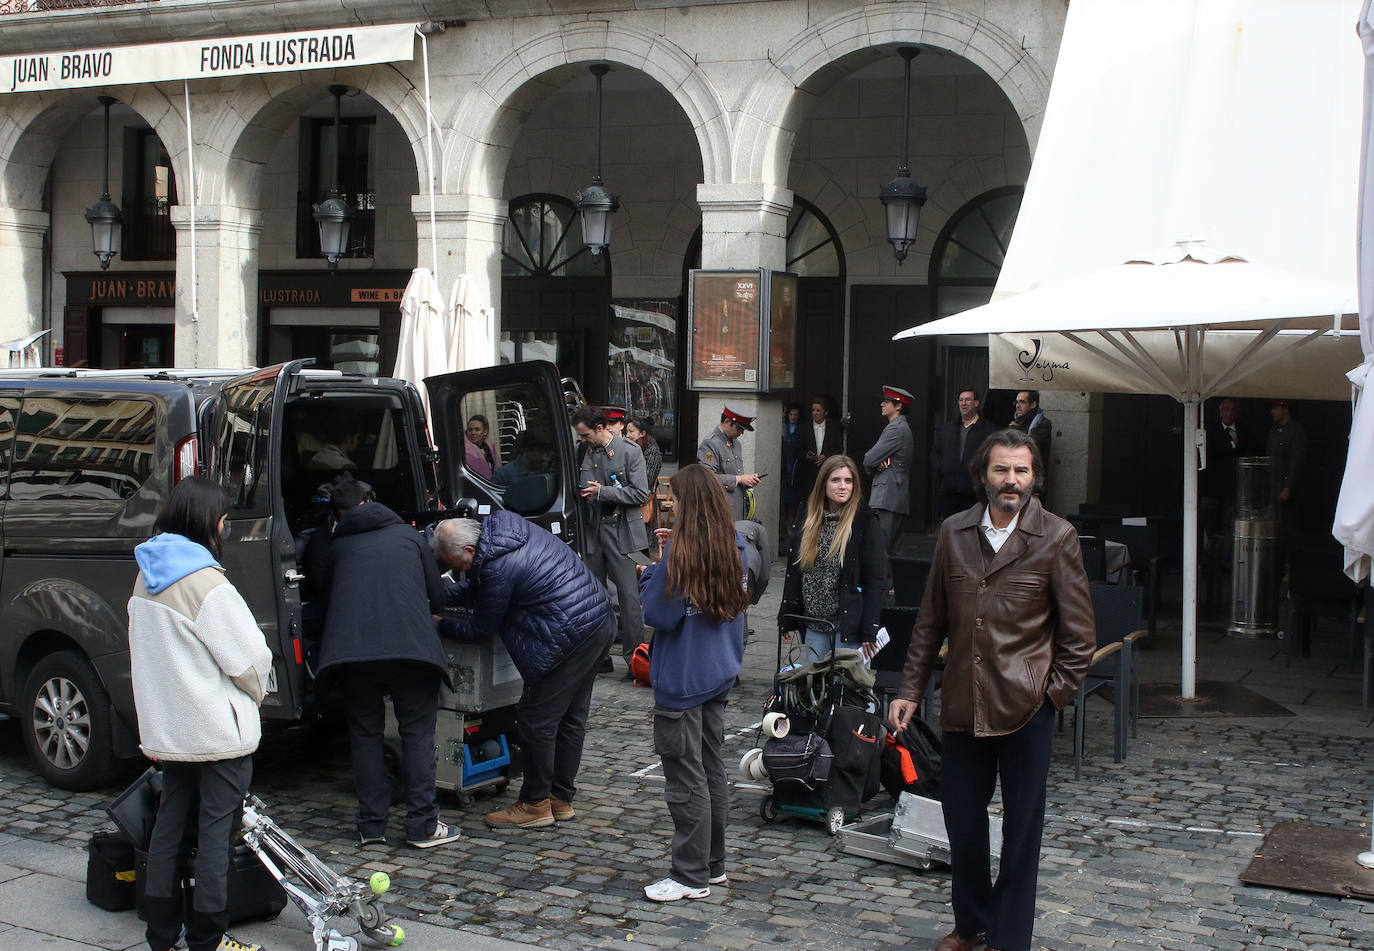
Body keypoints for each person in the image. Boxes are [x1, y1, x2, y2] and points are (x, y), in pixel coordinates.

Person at [888, 429, 1096, 951]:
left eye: (1021, 471)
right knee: (963, 823)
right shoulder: (955, 532)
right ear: (984, 475)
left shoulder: (1056, 536)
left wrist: (1054, 695)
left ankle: (1009, 936)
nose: (1011, 481)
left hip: (1028, 709)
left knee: (1023, 834)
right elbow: (931, 619)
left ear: (1034, 476)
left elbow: (1079, 635)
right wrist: (909, 687)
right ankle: (971, 923)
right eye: (1002, 470)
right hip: (962, 701)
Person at [128, 476, 274, 951]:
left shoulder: (146, 574)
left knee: (169, 825)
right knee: (215, 832)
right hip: (216, 729)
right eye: (224, 517)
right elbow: (249, 658)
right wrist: (255, 694)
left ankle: (161, 933)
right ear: (211, 520)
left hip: (172, 730)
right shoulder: (206, 582)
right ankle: (210, 939)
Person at [431, 513, 615, 830]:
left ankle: (535, 804)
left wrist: (441, 624)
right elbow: (479, 589)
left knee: (535, 719)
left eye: (456, 566)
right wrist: (440, 595)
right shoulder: (502, 534)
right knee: (570, 718)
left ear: (470, 551)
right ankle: (560, 798)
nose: (457, 573)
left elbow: (481, 628)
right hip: (597, 619)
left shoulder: (495, 567)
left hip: (568, 634)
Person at [306, 475, 459, 850]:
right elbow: (437, 598)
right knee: (418, 735)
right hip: (410, 648)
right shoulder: (408, 537)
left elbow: (326, 598)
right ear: (373, 499)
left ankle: (371, 825)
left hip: (354, 653)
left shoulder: (336, 547)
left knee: (365, 736)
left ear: (338, 512)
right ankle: (423, 825)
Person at [638, 464, 750, 903]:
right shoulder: (733, 544)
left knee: (685, 780)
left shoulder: (681, 554)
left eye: (675, 498)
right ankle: (713, 865)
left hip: (683, 678)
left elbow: (655, 614)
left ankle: (689, 875)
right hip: (718, 670)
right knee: (710, 770)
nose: (670, 504)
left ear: (689, 504)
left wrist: (653, 571)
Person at [777, 454, 888, 661]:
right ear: (823, 484)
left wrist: (870, 629)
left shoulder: (864, 520)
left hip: (848, 625)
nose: (843, 486)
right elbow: (795, 570)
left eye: (848, 480)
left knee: (848, 689)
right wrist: (786, 615)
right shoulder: (808, 516)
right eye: (835, 480)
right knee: (815, 688)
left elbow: (876, 579)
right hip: (814, 623)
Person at [573, 405, 650, 672]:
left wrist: (603, 492)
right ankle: (598, 656)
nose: (582, 441)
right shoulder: (582, 451)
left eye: (585, 435)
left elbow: (641, 494)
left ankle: (635, 659)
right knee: (593, 596)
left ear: (600, 428)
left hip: (621, 531)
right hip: (592, 532)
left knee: (629, 598)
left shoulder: (630, 451)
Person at [862, 384, 915, 554]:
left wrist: (874, 462)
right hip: (895, 496)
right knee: (893, 553)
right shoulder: (902, 427)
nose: (882, 404)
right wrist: (877, 462)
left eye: (887, 401)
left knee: (878, 550)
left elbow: (869, 459)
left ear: (898, 406)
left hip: (887, 497)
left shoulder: (895, 428)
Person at [932, 388, 997, 521]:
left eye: (968, 399)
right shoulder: (947, 429)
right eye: (961, 400)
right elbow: (935, 453)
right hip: (949, 490)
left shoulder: (989, 431)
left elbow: (994, 458)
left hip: (974, 493)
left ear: (976, 403)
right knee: (950, 530)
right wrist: (942, 468)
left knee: (971, 532)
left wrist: (982, 477)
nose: (963, 403)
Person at [698, 403, 763, 521]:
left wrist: (747, 480)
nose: (741, 433)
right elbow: (707, 478)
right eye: (739, 428)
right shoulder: (709, 444)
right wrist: (739, 479)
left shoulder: (736, 444)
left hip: (737, 509)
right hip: (720, 510)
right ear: (728, 421)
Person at [1266, 398, 1307, 549]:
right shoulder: (1274, 432)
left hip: (1286, 490)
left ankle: (1289, 569)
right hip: (1273, 488)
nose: (1272, 412)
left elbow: (1296, 462)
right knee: (1273, 530)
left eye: (1276, 408)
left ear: (1285, 410)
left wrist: (1288, 487)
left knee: (1288, 531)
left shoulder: (1295, 432)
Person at [799, 395, 843, 499]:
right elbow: (798, 450)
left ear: (825, 412)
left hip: (828, 471)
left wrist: (826, 457)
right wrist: (806, 456)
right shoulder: (804, 428)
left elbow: (839, 448)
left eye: (818, 410)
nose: (815, 413)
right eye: (813, 410)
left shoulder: (834, 428)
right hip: (809, 473)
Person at [625, 416, 663, 533]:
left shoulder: (652, 450)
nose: (627, 435)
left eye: (631, 432)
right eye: (626, 432)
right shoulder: (634, 448)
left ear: (642, 433)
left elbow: (647, 477)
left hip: (643, 499)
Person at [1009, 391, 1052, 470]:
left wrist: (1017, 431)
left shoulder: (1042, 423)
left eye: (1022, 402)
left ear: (1033, 405)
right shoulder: (1017, 421)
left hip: (1033, 471)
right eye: (1016, 402)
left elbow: (1032, 447)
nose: (1017, 406)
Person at [780, 402, 804, 531]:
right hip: (785, 465)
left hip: (796, 465)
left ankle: (792, 524)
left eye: (796, 415)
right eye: (791, 414)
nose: (793, 417)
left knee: (795, 498)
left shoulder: (801, 429)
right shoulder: (783, 427)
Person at [464, 414, 502, 479]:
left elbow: (497, 468)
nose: (473, 433)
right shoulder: (464, 449)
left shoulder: (490, 446)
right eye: (470, 430)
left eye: (477, 429)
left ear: (485, 432)